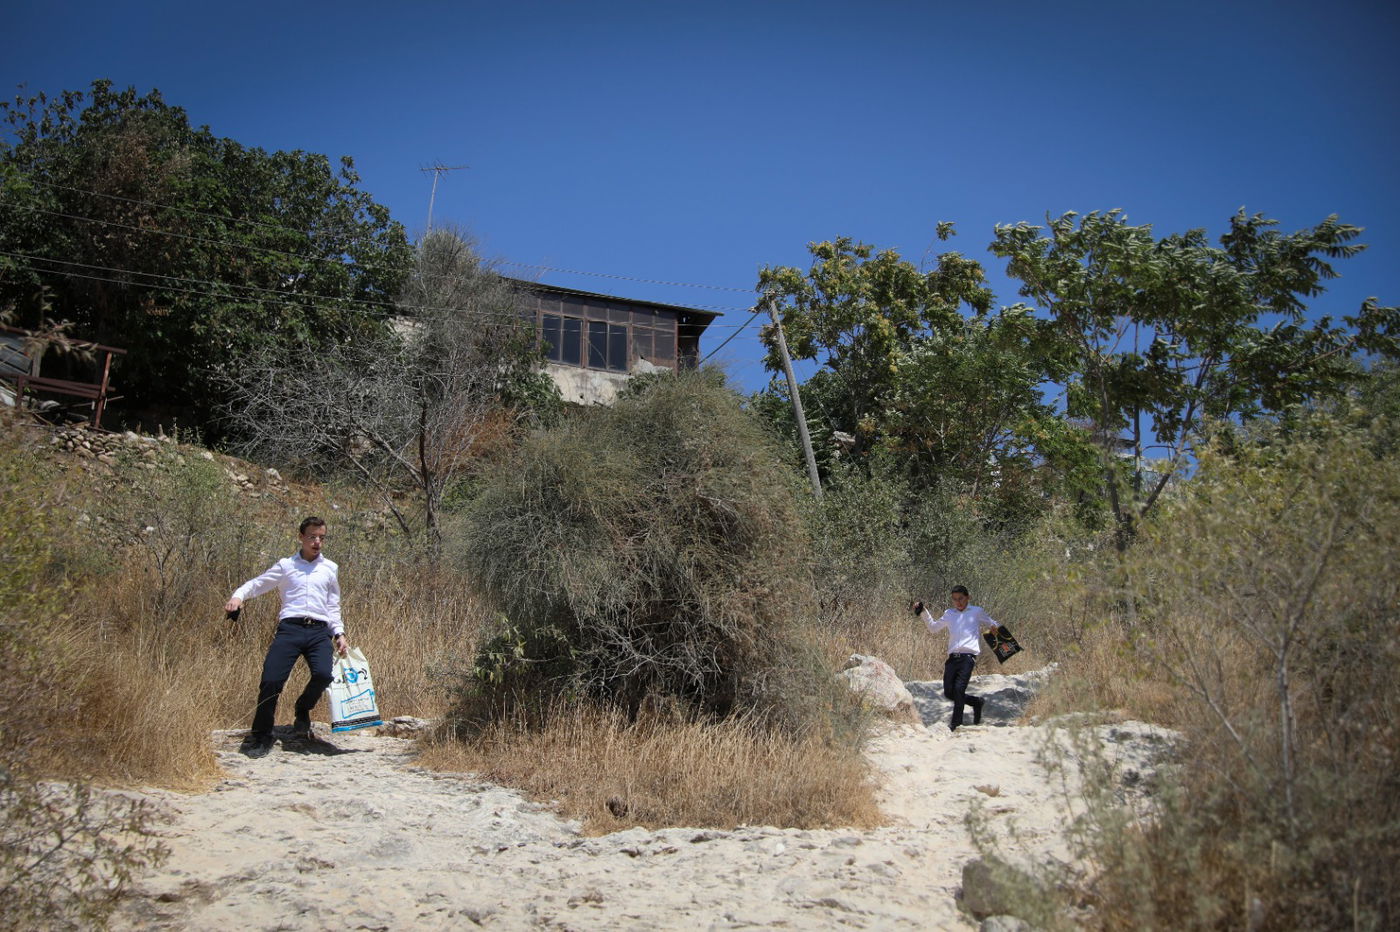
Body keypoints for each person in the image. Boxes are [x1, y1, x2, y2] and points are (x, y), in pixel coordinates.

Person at [225, 516, 349, 758]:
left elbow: (333, 605)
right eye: (312, 537)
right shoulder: (286, 565)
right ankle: (262, 735)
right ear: (301, 537)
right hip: (290, 629)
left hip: (318, 631)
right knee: (271, 680)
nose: (317, 542)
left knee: (324, 674)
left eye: (321, 538)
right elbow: (258, 584)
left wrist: (339, 633)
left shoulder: (330, 568)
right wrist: (238, 597)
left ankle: (302, 708)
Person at [912, 586, 1001, 731]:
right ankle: (976, 702)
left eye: (961, 598)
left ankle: (956, 724)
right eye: (954, 599)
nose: (958, 602)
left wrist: (995, 628)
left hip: (968, 657)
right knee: (949, 692)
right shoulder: (949, 613)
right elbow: (933, 628)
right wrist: (923, 611)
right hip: (952, 658)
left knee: (959, 688)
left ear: (968, 597)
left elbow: (993, 623)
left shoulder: (976, 611)